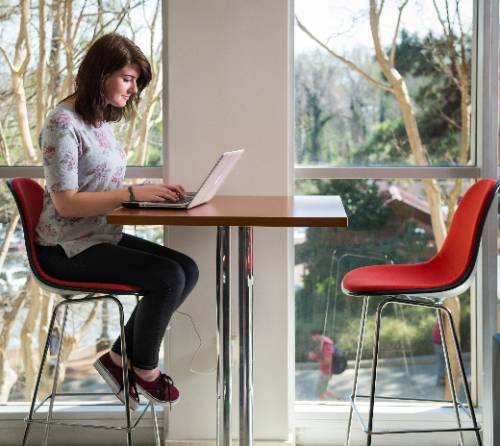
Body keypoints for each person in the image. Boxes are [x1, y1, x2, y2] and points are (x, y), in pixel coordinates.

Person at [35, 33, 199, 409]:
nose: (134, 88)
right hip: (65, 248)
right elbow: (66, 203)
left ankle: (117, 358)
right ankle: (145, 369)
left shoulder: (97, 121)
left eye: (136, 81)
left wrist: (146, 193)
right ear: (100, 73)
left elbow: (96, 182)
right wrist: (132, 195)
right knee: (168, 278)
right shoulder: (63, 124)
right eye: (127, 78)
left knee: (186, 269)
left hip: (97, 235)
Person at [308, 329, 338, 400]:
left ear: (316, 335)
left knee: (319, 392)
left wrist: (314, 357)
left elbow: (327, 362)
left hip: (326, 372)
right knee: (322, 390)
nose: (313, 339)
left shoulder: (326, 344)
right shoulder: (324, 342)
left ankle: (324, 405)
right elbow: (324, 358)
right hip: (325, 371)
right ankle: (340, 400)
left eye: (313, 337)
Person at [432, 319, 446, 386]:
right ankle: (442, 379)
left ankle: (438, 379)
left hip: (436, 341)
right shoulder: (444, 318)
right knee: (444, 361)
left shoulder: (439, 318)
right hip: (440, 342)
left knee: (440, 361)